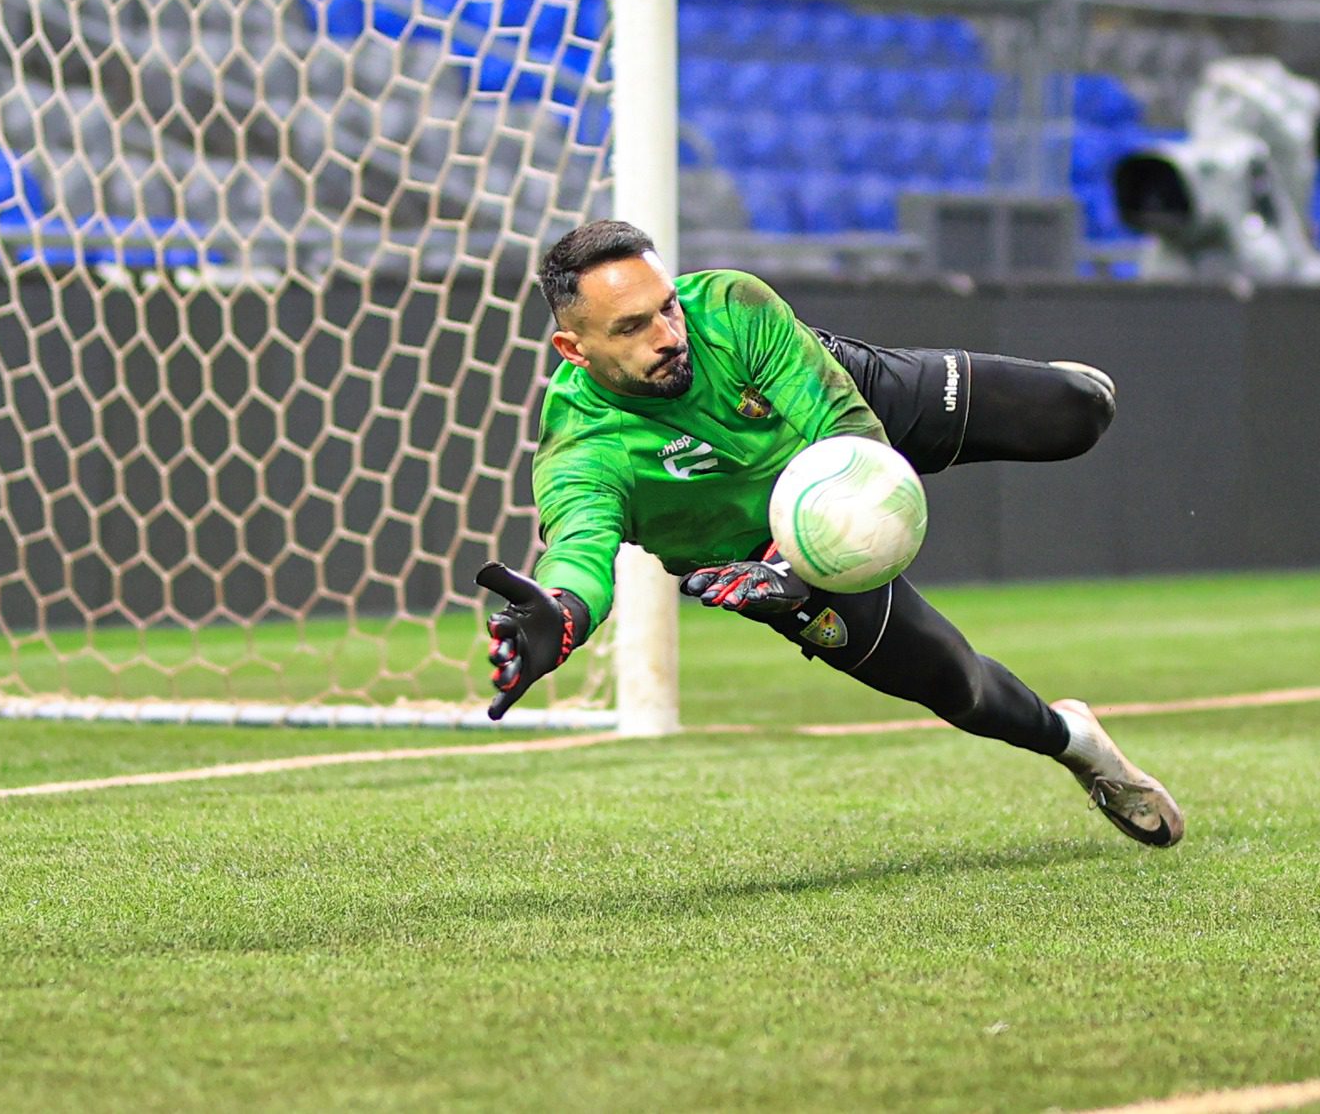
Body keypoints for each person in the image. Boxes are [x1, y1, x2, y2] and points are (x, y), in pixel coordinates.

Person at [474, 219, 1183, 848]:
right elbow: (580, 548)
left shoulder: (728, 307)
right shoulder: (581, 453)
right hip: (765, 561)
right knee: (959, 688)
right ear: (573, 348)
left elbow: (851, 436)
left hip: (837, 409)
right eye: (632, 327)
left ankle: (1044, 386)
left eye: (667, 307)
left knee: (1080, 411)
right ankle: (1078, 744)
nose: (668, 335)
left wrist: (799, 556)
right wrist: (564, 610)